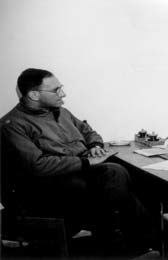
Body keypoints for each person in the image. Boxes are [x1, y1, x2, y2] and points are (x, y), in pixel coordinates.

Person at [0, 68, 156, 256]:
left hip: (76, 175)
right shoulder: (12, 125)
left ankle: (133, 245)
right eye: (56, 90)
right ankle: (126, 248)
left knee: (132, 176)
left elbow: (89, 131)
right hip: (43, 187)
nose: (63, 94)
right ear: (34, 94)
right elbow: (38, 165)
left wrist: (95, 146)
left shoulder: (62, 112)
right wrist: (86, 163)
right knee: (113, 176)